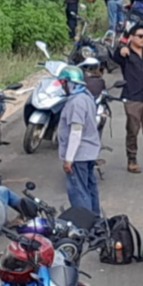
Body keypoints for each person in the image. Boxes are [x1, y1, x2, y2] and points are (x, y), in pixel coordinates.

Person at [57, 66, 103, 217]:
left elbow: (76, 132)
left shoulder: (76, 102)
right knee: (90, 189)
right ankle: (96, 221)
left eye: (64, 83)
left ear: (70, 83)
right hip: (89, 153)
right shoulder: (86, 96)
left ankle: (85, 224)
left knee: (79, 192)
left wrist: (69, 159)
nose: (63, 87)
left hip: (79, 155)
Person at [116, 24, 143, 174]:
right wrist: (121, 47)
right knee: (132, 131)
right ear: (132, 37)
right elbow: (114, 56)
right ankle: (132, 159)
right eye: (140, 36)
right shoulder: (126, 54)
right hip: (132, 97)